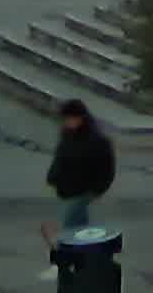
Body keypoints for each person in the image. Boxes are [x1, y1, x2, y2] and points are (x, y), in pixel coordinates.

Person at [47, 98, 116, 233]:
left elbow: (107, 167)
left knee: (72, 226)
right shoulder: (67, 136)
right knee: (78, 227)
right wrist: (53, 176)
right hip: (68, 189)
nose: (67, 122)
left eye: (70, 118)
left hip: (84, 190)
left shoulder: (96, 140)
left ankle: (74, 251)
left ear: (80, 118)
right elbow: (60, 159)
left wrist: (98, 189)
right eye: (65, 119)